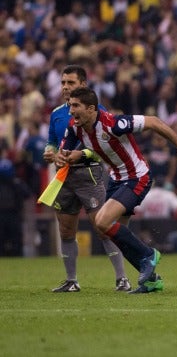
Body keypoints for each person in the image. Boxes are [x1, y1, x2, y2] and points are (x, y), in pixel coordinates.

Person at [56, 87, 177, 294]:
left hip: (137, 177)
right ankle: (151, 281)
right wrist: (64, 156)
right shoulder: (75, 127)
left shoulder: (113, 124)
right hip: (117, 180)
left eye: (75, 106)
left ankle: (148, 255)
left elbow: (153, 121)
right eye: (70, 105)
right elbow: (66, 151)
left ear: (90, 109)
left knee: (102, 221)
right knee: (113, 232)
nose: (71, 111)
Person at [43, 66, 130, 292]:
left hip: (89, 173)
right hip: (63, 175)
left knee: (103, 226)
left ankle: (122, 278)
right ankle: (72, 281)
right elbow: (52, 140)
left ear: (82, 84)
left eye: (70, 83)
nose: (65, 87)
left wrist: (80, 154)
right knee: (66, 230)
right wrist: (50, 151)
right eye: (63, 83)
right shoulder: (56, 114)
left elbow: (105, 147)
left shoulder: (97, 111)